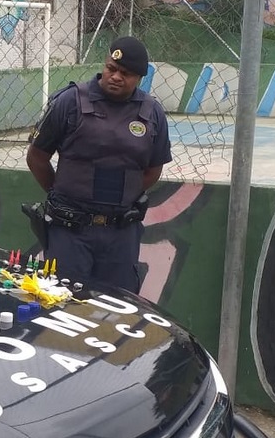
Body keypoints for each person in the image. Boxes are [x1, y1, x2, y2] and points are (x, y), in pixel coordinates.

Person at [25, 36, 172, 292]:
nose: (115, 77)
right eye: (111, 68)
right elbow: (36, 157)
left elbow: (153, 169)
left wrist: (121, 196)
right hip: (70, 230)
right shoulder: (70, 102)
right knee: (64, 302)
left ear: (140, 77)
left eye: (125, 74)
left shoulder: (152, 113)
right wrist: (61, 193)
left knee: (118, 304)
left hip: (121, 234)